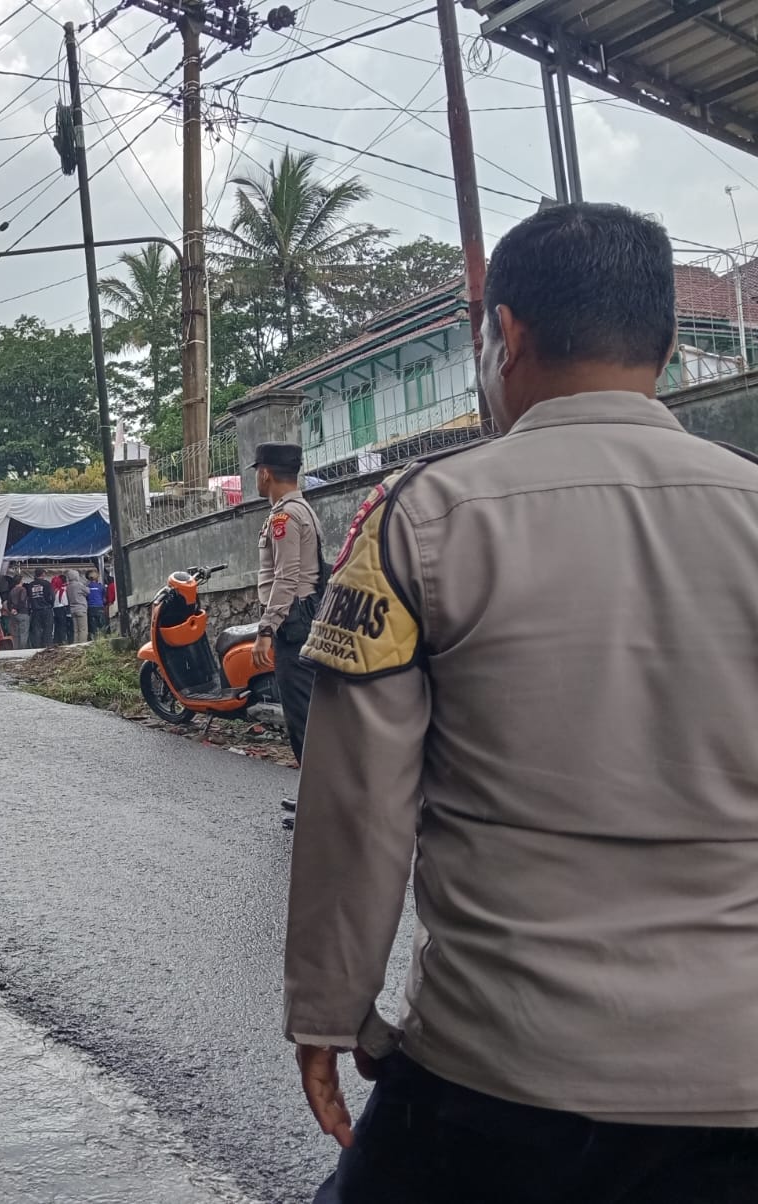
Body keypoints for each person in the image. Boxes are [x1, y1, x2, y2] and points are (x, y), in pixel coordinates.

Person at [285, 202, 758, 1204]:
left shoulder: (421, 518)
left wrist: (330, 1007)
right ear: (669, 348)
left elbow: (358, 806)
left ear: (505, 335)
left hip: (494, 1074)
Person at [249, 442, 324, 765]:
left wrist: (266, 629)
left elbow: (286, 578)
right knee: (309, 712)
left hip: (293, 622)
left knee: (301, 717)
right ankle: (317, 787)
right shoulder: (302, 509)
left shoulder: (286, 516)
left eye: (257, 472)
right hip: (303, 615)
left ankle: (318, 791)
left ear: (265, 474)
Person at [25, 568, 53, 649]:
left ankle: (37, 646)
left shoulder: (30, 585)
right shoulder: (47, 584)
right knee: (47, 628)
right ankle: (47, 646)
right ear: (43, 574)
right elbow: (51, 597)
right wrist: (50, 604)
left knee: (36, 629)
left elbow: (29, 598)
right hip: (46, 609)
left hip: (35, 610)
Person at [66, 569, 90, 644]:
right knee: (83, 629)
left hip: (72, 609)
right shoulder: (79, 585)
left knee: (76, 630)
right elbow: (88, 591)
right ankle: (82, 645)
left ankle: (75, 645)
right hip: (81, 608)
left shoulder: (68, 587)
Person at [8, 575, 30, 650]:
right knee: (23, 633)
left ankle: (16, 649)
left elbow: (8, 603)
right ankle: (22, 649)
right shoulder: (23, 589)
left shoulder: (11, 591)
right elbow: (22, 601)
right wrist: (17, 609)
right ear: (20, 581)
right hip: (22, 613)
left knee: (16, 634)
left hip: (13, 614)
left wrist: (12, 609)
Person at [85, 569, 108, 638]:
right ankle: (103, 638)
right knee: (101, 624)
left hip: (90, 607)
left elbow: (86, 597)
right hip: (99, 606)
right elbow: (104, 599)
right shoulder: (101, 587)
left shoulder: (87, 587)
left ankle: (94, 638)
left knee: (93, 625)